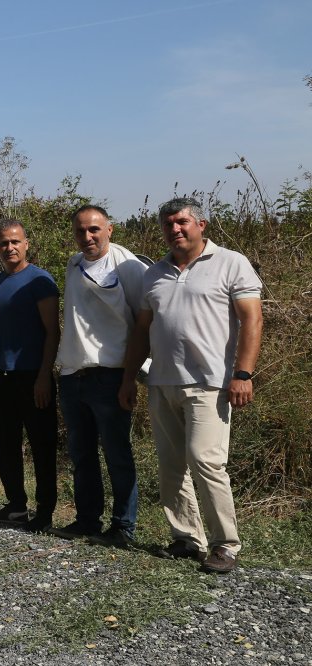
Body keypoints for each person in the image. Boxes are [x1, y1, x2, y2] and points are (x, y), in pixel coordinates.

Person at [119, 197, 263, 574]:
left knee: (205, 460)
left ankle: (225, 545)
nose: (175, 229)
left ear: (201, 225)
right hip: (162, 381)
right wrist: (129, 377)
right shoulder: (155, 272)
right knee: (171, 466)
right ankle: (186, 538)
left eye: (182, 222)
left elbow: (252, 320)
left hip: (210, 383)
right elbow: (143, 330)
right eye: (168, 224)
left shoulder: (231, 263)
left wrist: (243, 374)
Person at [53, 205, 147, 547]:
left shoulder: (129, 266)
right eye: (81, 231)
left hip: (111, 374)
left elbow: (143, 322)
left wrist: (131, 377)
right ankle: (87, 520)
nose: (88, 236)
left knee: (117, 453)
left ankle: (123, 526)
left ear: (110, 228)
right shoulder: (74, 264)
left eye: (94, 229)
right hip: (73, 373)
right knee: (82, 454)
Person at [0, 219, 60, 532]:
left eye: (15, 242)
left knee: (41, 446)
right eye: (3, 243)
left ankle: (45, 510)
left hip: (31, 377)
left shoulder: (40, 280)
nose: (9, 248)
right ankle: (16, 505)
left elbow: (52, 333)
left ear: (25, 244)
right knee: (6, 445)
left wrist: (43, 376)